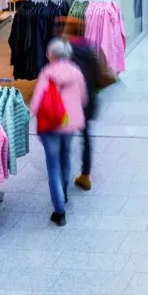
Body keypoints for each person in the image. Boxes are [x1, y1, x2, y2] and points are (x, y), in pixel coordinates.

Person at [29, 38, 89, 226]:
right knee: (65, 157)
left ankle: (59, 210)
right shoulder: (76, 71)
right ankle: (64, 192)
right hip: (68, 123)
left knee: (53, 165)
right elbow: (83, 98)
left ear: (52, 56)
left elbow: (37, 102)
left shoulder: (47, 73)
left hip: (51, 125)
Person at [57, 16, 107, 191]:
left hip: (69, 105)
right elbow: (99, 77)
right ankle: (85, 175)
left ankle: (63, 177)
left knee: (65, 140)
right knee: (86, 137)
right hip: (87, 102)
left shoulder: (65, 52)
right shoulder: (89, 49)